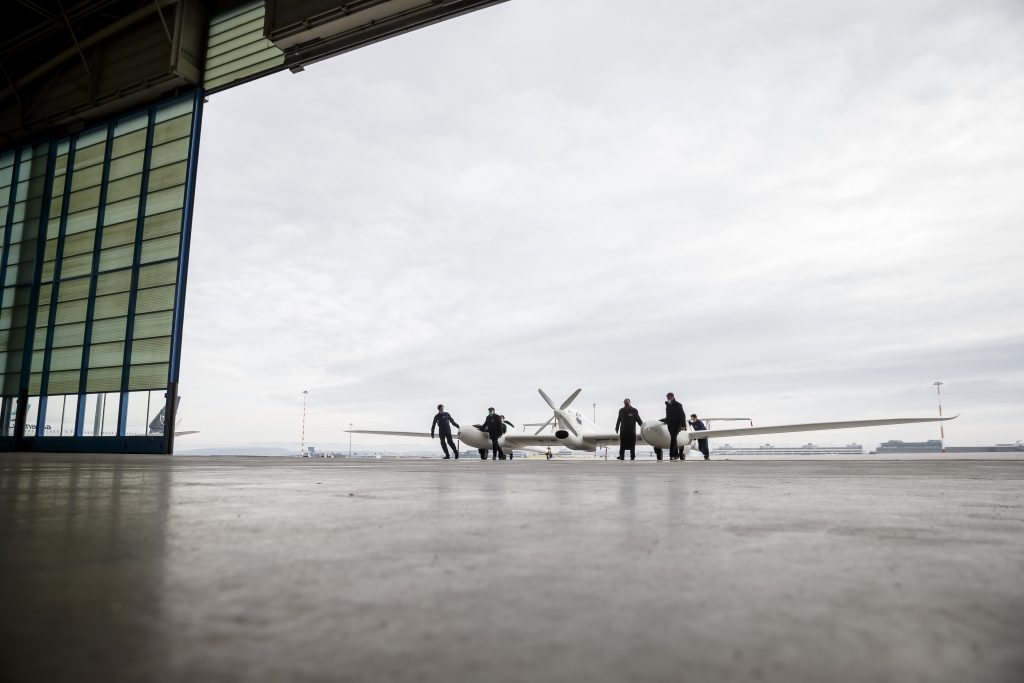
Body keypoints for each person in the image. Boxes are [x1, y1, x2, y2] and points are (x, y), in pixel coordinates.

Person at [662, 392, 686, 460]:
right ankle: (676, 455)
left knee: (673, 438)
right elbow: (668, 415)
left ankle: (671, 455)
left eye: (669, 397)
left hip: (677, 425)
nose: (668, 399)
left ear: (672, 397)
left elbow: (682, 415)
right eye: (667, 397)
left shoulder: (678, 405)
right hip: (670, 425)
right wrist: (665, 421)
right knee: (674, 439)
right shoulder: (667, 405)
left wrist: (683, 425)